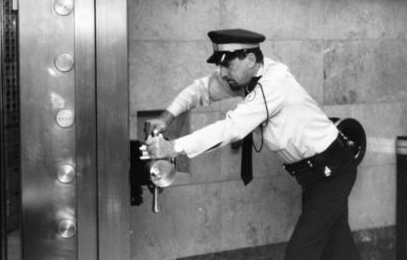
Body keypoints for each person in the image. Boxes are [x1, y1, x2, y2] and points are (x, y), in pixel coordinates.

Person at [144, 28, 360, 260]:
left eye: (228, 65)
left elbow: (232, 128)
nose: (221, 72)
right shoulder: (244, 76)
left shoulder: (274, 82)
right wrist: (167, 117)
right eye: (219, 65)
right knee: (339, 248)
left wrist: (173, 147)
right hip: (316, 174)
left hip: (331, 170)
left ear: (250, 59)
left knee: (300, 253)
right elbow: (200, 89)